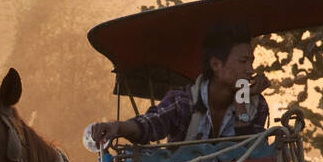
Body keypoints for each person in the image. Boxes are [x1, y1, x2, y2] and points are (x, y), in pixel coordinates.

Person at [89, 22, 270, 147]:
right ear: (216, 65)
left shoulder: (256, 104)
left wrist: (241, 99)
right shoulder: (182, 101)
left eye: (251, 62)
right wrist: (118, 127)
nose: (250, 69)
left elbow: (253, 153)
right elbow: (149, 125)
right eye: (243, 61)